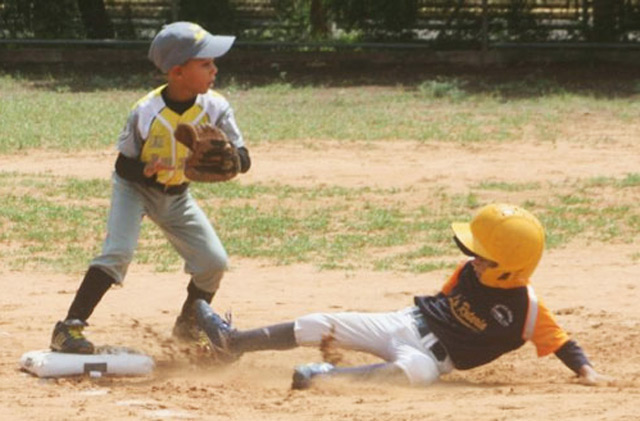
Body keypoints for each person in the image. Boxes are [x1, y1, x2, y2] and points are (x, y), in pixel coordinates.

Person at [194, 203, 611, 389]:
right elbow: (441, 301)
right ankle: (235, 342)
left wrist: (587, 373)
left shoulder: (528, 310)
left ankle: (323, 380)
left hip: (432, 358)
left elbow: (564, 344)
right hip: (405, 324)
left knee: (415, 376)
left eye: (481, 254)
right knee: (323, 322)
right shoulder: (467, 272)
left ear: (508, 265)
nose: (470, 258)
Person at [50, 22, 251, 354]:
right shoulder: (146, 111)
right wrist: (146, 169)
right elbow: (122, 165)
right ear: (177, 72)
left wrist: (233, 159)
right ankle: (68, 328)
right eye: (205, 63)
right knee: (118, 253)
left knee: (213, 262)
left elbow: (244, 157)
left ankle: (188, 328)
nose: (215, 68)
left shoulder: (216, 107)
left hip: (177, 196)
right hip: (135, 189)